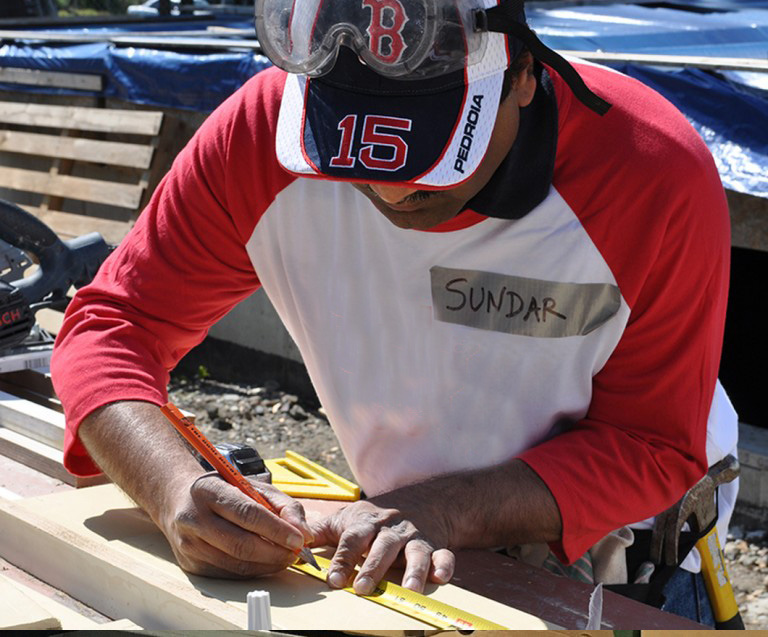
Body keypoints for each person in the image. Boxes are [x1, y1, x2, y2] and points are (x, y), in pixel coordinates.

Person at [51, 0, 738, 625]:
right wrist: (171, 484)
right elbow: (112, 328)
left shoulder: (649, 171)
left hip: (618, 553)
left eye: (435, 152)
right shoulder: (258, 137)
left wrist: (445, 507)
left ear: (523, 73)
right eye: (344, 152)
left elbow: (651, 443)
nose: (388, 186)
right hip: (400, 527)